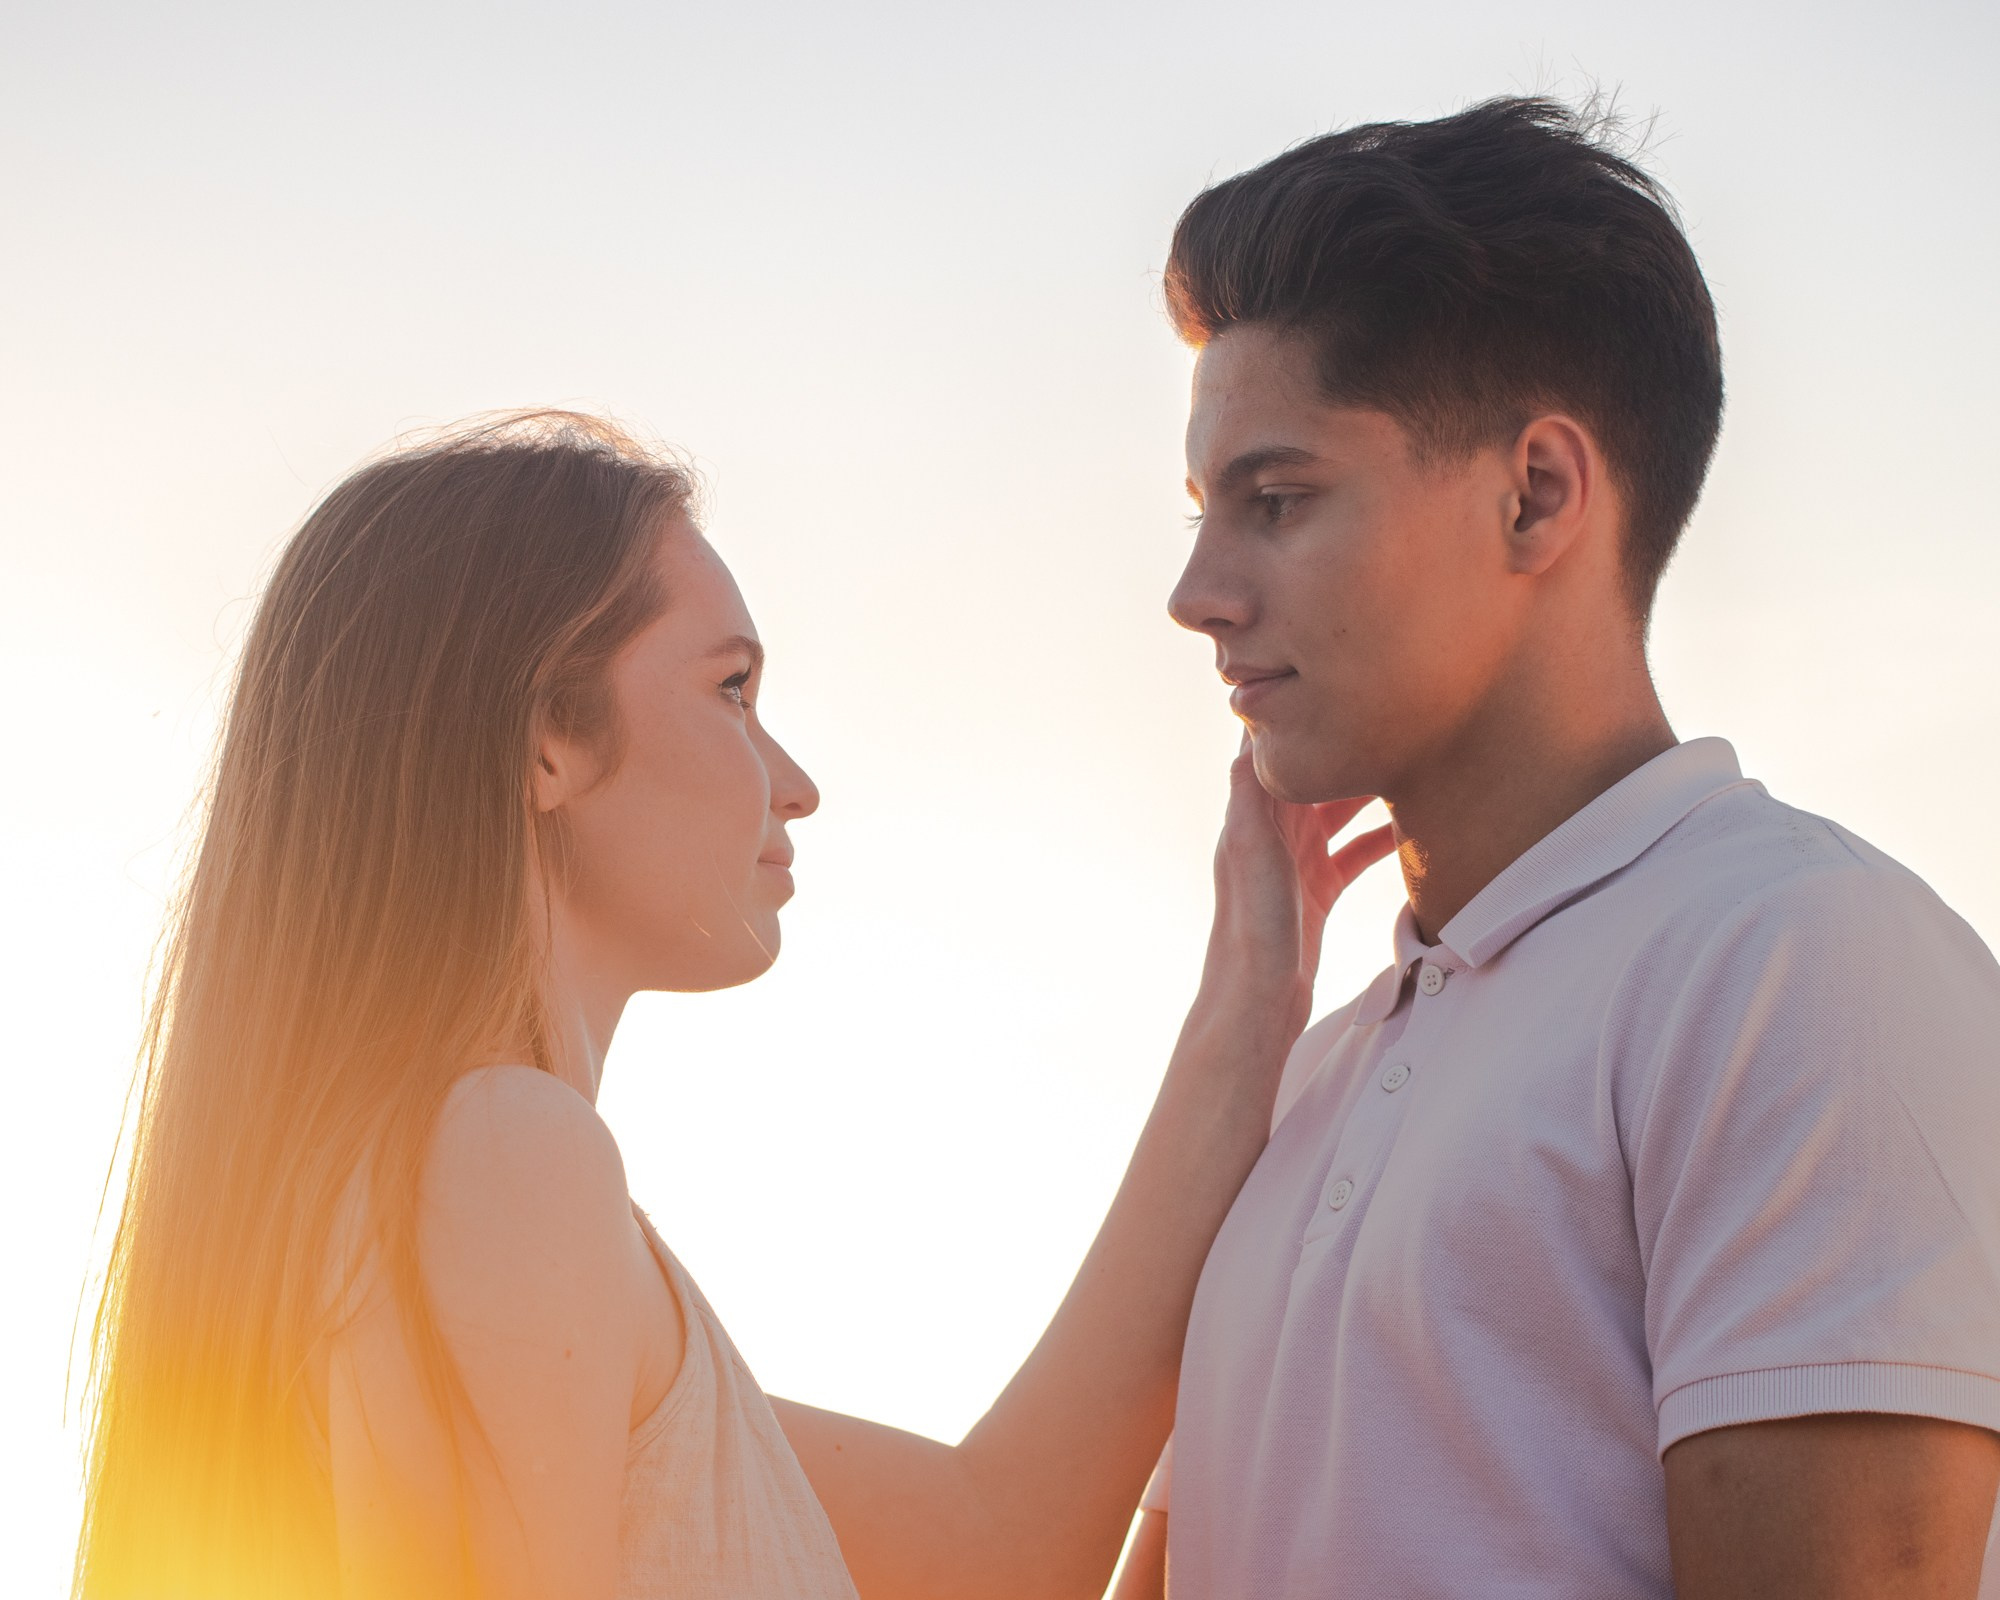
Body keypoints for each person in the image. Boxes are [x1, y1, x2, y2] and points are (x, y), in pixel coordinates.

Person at [71, 411, 1393, 1599]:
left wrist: (1255, 986)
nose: (793, 780)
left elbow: (996, 1544)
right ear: (547, 739)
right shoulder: (508, 1155)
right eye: (731, 688)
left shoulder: (441, 1193)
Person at [1109, 96, 2000, 1600]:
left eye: (1276, 501)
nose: (1196, 592)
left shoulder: (1797, 955)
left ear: (1535, 494)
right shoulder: (1312, 1076)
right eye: (1204, 512)